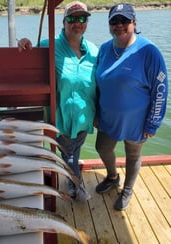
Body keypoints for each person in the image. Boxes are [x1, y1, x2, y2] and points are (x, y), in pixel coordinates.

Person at [18, 1, 98, 199]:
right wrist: (25, 44)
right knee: (69, 155)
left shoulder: (95, 51)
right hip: (61, 118)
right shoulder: (48, 45)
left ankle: (71, 181)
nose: (77, 23)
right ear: (63, 22)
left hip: (84, 117)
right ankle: (77, 187)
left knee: (74, 152)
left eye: (82, 18)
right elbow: (29, 61)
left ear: (87, 22)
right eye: (72, 18)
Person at [95, 3, 168, 210]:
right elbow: (98, 85)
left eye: (124, 20)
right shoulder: (104, 49)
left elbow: (160, 89)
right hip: (108, 117)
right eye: (114, 21)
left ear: (134, 23)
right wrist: (97, 112)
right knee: (102, 147)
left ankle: (128, 189)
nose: (119, 25)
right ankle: (112, 177)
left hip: (137, 120)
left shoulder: (148, 51)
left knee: (133, 155)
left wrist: (153, 123)